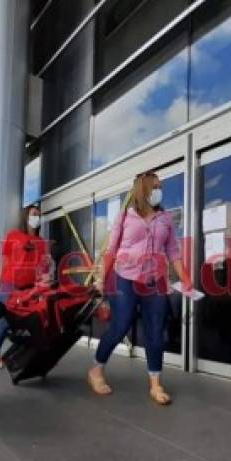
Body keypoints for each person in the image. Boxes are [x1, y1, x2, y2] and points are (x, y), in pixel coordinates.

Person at [87, 172, 192, 405]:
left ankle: (155, 384)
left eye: (160, 187)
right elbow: (111, 250)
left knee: (156, 331)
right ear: (143, 190)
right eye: (155, 187)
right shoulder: (125, 216)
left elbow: (173, 252)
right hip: (124, 278)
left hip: (153, 281)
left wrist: (185, 277)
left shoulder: (165, 219)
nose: (159, 191)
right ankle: (96, 369)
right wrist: (102, 279)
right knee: (120, 325)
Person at [0, 204, 49, 369]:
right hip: (9, 284)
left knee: (24, 320)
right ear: (26, 216)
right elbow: (4, 263)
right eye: (34, 214)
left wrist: (41, 287)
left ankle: (19, 353)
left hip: (29, 288)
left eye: (39, 215)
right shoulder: (13, 236)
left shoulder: (41, 242)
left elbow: (42, 268)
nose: (37, 217)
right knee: (7, 318)